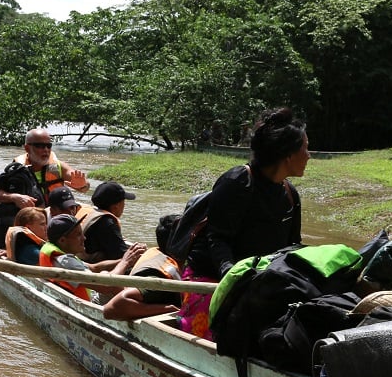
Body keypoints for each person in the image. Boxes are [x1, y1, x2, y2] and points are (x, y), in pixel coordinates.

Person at [180, 106, 311, 339]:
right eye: (305, 148)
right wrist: (232, 277)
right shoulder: (238, 181)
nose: (309, 155)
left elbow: (292, 247)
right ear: (288, 154)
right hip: (212, 276)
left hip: (258, 281)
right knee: (218, 335)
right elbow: (217, 238)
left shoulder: (290, 195)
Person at [39, 215, 145, 302]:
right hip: (91, 303)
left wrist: (126, 260)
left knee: (105, 274)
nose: (84, 238)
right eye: (78, 235)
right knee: (107, 278)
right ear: (62, 240)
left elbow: (93, 267)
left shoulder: (62, 253)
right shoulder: (64, 261)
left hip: (92, 295)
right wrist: (125, 262)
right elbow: (106, 286)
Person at [0, 128, 89, 208]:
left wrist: (83, 185)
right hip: (31, 218)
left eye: (48, 146)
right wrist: (15, 197)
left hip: (56, 214)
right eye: (40, 146)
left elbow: (85, 187)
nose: (46, 150)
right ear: (27, 148)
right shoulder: (16, 169)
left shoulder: (58, 167)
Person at [102, 247, 182, 320]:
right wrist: (171, 309)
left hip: (133, 284)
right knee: (105, 274)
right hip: (118, 294)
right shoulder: (157, 279)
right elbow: (111, 305)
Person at [81, 181, 144, 262]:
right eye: (123, 201)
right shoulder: (107, 223)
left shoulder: (91, 213)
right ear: (116, 206)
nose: (124, 205)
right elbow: (122, 256)